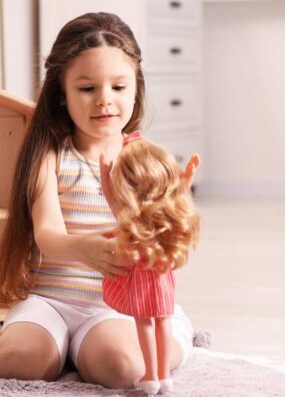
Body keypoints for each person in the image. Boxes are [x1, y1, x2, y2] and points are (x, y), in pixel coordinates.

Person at [0, 12, 195, 391]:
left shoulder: (143, 161)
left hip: (114, 306)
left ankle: (177, 330)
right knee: (19, 362)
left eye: (118, 88)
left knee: (123, 368)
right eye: (87, 88)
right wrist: (82, 247)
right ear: (61, 94)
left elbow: (166, 234)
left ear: (135, 88)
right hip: (51, 300)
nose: (105, 101)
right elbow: (48, 233)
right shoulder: (52, 156)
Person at [102, 135, 201, 394]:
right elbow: (180, 200)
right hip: (163, 281)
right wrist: (185, 183)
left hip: (142, 282)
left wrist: (104, 175)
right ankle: (162, 374)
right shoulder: (168, 222)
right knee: (163, 321)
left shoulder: (133, 224)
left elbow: (112, 201)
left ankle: (151, 374)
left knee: (145, 322)